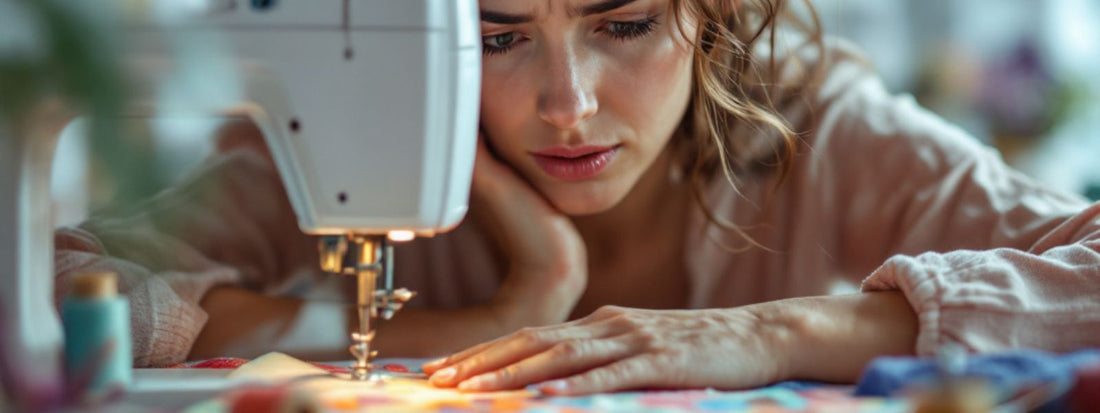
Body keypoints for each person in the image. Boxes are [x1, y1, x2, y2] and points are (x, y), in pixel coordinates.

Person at [55, 0, 1100, 396]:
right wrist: (508, 313)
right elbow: (57, 273)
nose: (565, 104)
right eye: (498, 37)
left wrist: (774, 330)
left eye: (627, 23)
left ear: (713, 18)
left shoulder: (816, 128)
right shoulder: (351, 122)